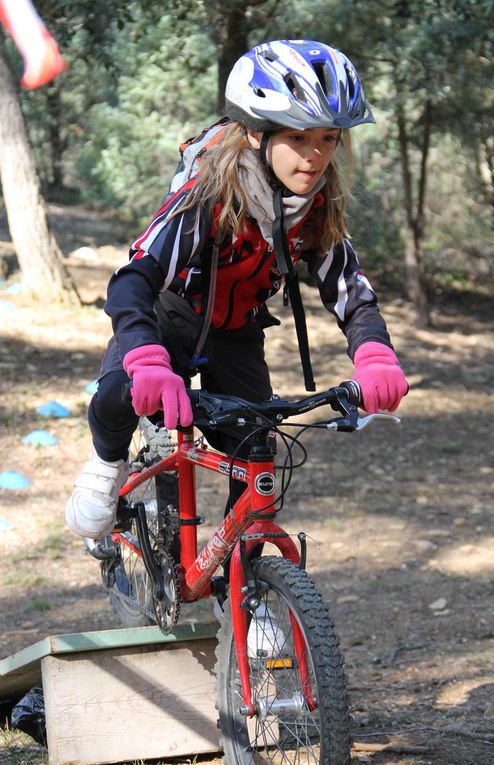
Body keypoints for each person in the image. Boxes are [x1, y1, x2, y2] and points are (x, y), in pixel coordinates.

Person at [66, 39, 408, 540]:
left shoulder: (316, 203)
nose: (315, 156)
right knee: (121, 390)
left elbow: (349, 289)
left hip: (237, 331)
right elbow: (132, 280)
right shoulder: (208, 193)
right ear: (255, 132)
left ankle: (250, 586)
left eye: (329, 138)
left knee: (260, 455)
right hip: (169, 316)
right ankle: (104, 465)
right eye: (298, 136)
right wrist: (146, 359)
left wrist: (375, 353)